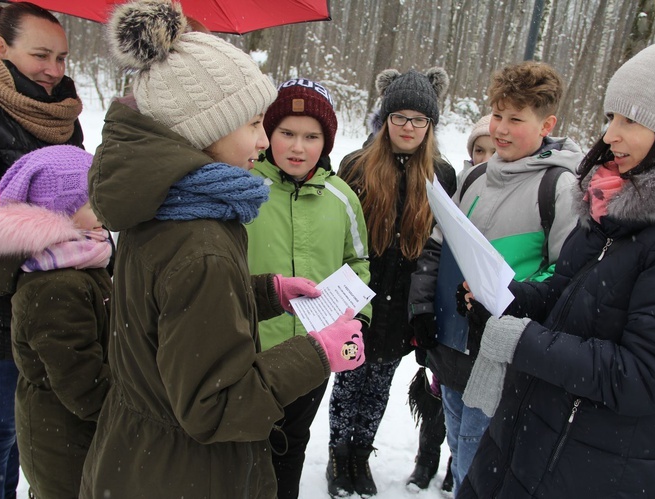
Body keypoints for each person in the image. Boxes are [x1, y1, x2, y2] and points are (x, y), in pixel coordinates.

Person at [79, 1, 365, 497]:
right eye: (255, 123)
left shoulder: (165, 205)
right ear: (205, 128)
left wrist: (264, 292)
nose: (263, 139)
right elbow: (217, 406)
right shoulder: (200, 238)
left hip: (142, 455)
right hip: (189, 474)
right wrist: (316, 354)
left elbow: (167, 310)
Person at [458, 39, 655, 499]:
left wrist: (522, 342)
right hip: (523, 436)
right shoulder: (609, 204)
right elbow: (566, 295)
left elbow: (648, 376)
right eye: (610, 116)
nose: (610, 134)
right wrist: (506, 297)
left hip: (588, 468)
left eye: (629, 120)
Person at [408, 60, 582, 495]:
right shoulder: (474, 175)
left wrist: (505, 298)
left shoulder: (560, 186)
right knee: (459, 445)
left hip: (501, 358)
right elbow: (438, 245)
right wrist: (423, 308)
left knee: (476, 466)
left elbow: (566, 274)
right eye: (498, 115)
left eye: (516, 119)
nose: (500, 129)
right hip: (452, 349)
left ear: (548, 124)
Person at [0, 3, 83, 497]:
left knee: (35, 421)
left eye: (62, 57)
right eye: (41, 56)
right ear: (0, 48)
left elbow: (74, 188)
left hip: (53, 294)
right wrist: (66, 225)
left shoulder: (63, 115)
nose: (54, 70)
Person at [327, 67, 458, 497]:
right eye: (399, 116)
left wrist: (424, 312)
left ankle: (361, 455)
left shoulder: (441, 175)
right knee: (348, 381)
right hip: (358, 298)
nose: (408, 127)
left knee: (378, 386)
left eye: (418, 119)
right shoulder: (357, 166)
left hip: (402, 307)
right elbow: (337, 234)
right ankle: (338, 455)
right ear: (385, 119)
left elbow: (441, 247)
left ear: (430, 126)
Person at [0, 146, 111, 498]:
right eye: (93, 201)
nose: (105, 208)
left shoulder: (82, 258)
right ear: (61, 212)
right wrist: (130, 411)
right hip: (65, 442)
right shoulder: (56, 285)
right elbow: (81, 383)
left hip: (74, 433)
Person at [246, 78, 371, 499]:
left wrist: (355, 315)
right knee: (245, 449)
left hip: (314, 354)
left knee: (291, 446)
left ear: (327, 142)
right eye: (287, 133)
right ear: (268, 132)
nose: (298, 147)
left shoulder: (341, 197)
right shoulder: (245, 188)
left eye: (311, 137)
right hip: (252, 352)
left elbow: (358, 262)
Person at [405, 112, 496, 492]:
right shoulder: (464, 189)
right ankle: (427, 459)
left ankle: (453, 471)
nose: (487, 156)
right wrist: (423, 310)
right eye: (480, 149)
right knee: (437, 400)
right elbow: (434, 254)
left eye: (494, 149)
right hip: (446, 332)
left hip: (481, 341)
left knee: (470, 435)